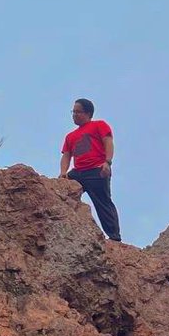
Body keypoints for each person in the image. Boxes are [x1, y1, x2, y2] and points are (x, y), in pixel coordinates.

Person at [59, 98, 121, 242]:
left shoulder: (99, 125)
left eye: (78, 112)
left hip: (96, 170)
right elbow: (66, 155)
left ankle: (114, 237)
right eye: (73, 112)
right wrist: (63, 173)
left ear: (88, 113)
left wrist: (107, 162)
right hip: (78, 173)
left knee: (103, 202)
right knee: (61, 192)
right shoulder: (70, 136)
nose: (74, 115)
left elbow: (108, 142)